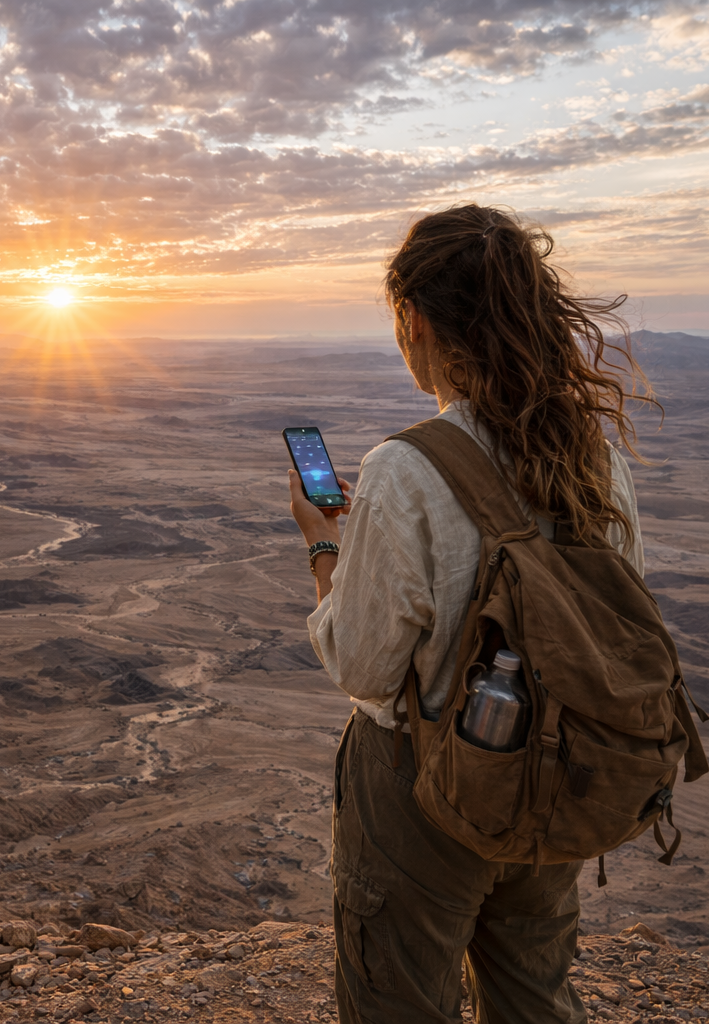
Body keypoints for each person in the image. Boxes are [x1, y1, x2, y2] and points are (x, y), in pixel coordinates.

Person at [288, 204, 651, 1023]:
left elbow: (364, 667)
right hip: (552, 776)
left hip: (422, 794)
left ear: (412, 318)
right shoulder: (596, 461)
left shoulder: (405, 469)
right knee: (535, 1000)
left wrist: (325, 549)